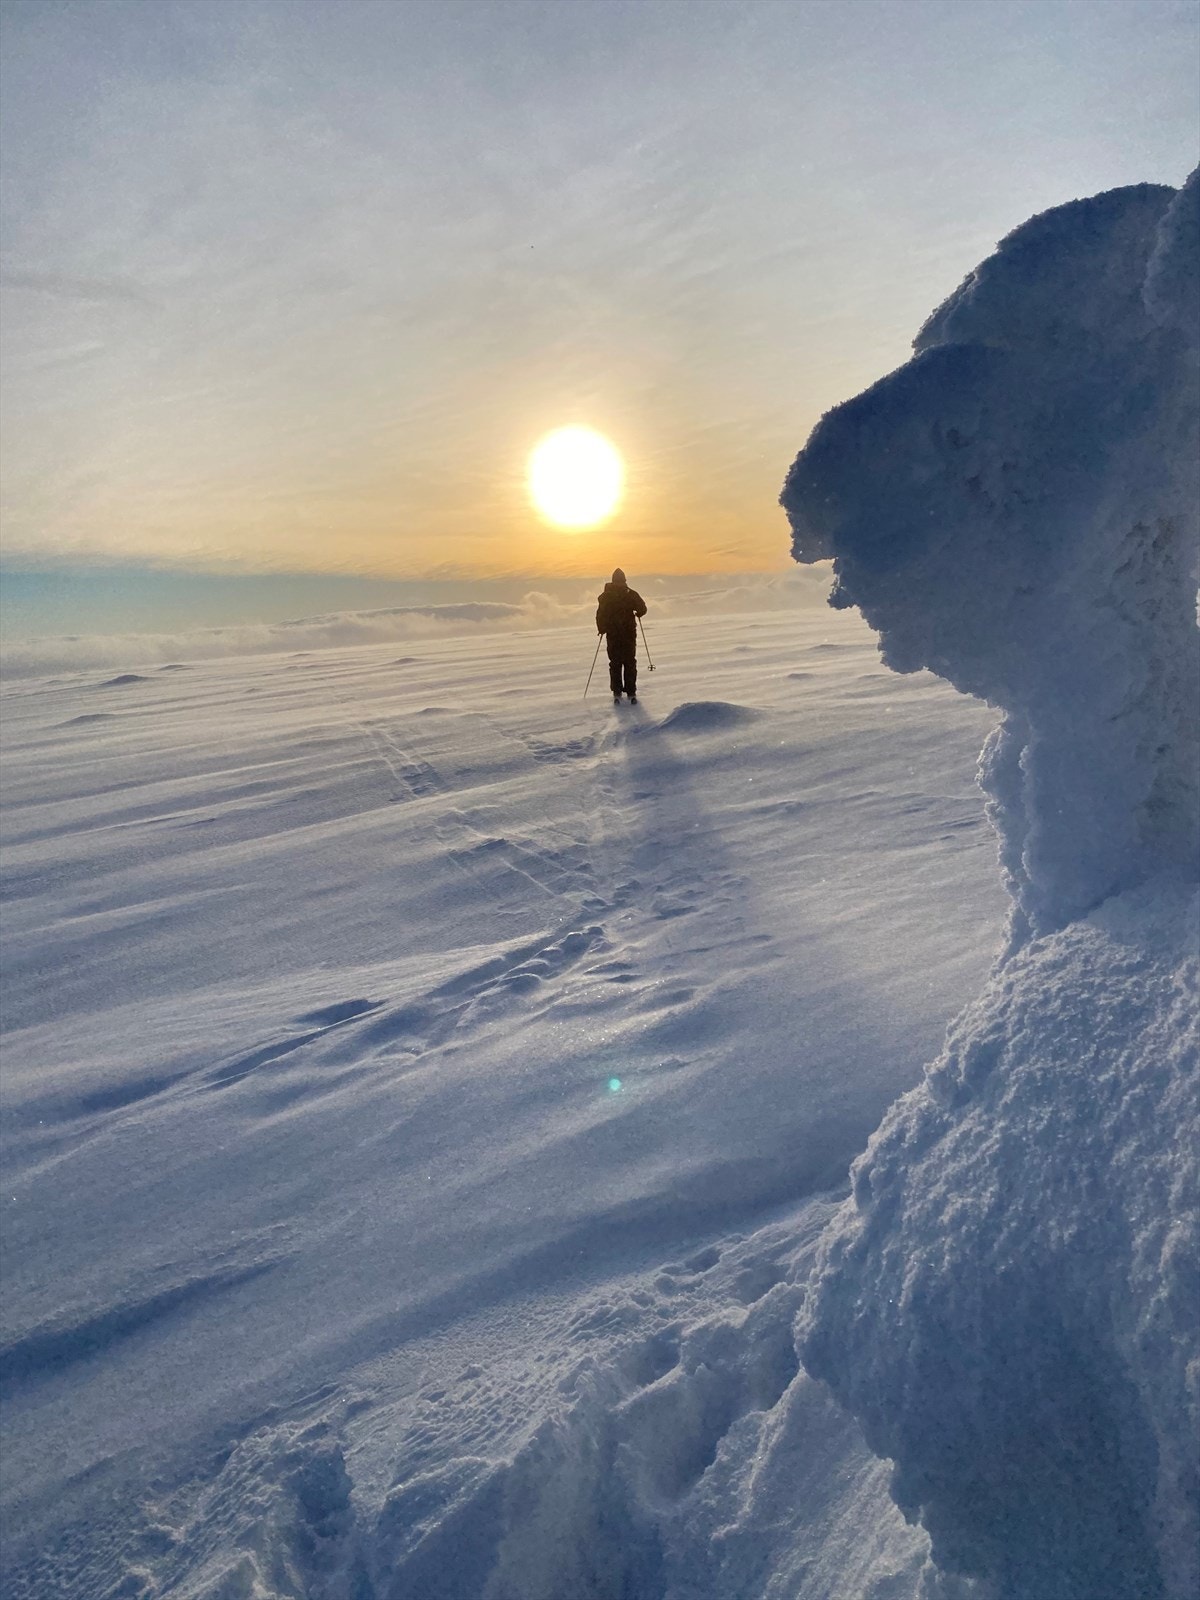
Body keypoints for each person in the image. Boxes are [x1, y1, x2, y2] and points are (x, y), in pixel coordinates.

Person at [595, 568, 647, 703]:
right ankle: (630, 691)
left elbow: (600, 614)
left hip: (614, 634)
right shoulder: (630, 594)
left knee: (616, 663)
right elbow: (642, 608)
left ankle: (618, 692)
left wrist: (602, 628)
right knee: (628, 662)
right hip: (628, 633)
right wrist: (638, 613)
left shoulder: (606, 596)